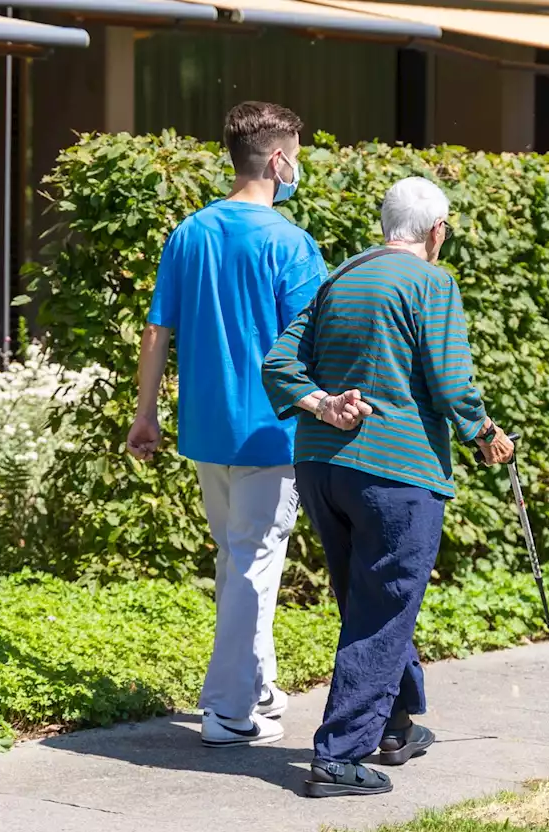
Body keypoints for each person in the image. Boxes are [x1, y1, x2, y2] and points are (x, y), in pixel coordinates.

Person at [127, 101, 371, 748]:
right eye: (298, 154)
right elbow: (324, 338)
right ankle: (226, 708)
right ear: (278, 159)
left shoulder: (189, 233)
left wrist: (144, 412)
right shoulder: (290, 243)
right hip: (272, 430)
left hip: (207, 427)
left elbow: (158, 328)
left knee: (239, 563)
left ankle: (257, 688)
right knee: (254, 565)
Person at [262, 176, 515, 797]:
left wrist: (323, 406)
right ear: (437, 231)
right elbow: (451, 385)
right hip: (396, 472)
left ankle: (396, 728)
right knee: (384, 607)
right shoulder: (433, 282)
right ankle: (340, 757)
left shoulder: (339, 277)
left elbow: (278, 365)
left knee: (369, 598)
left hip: (323, 468)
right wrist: (485, 432)